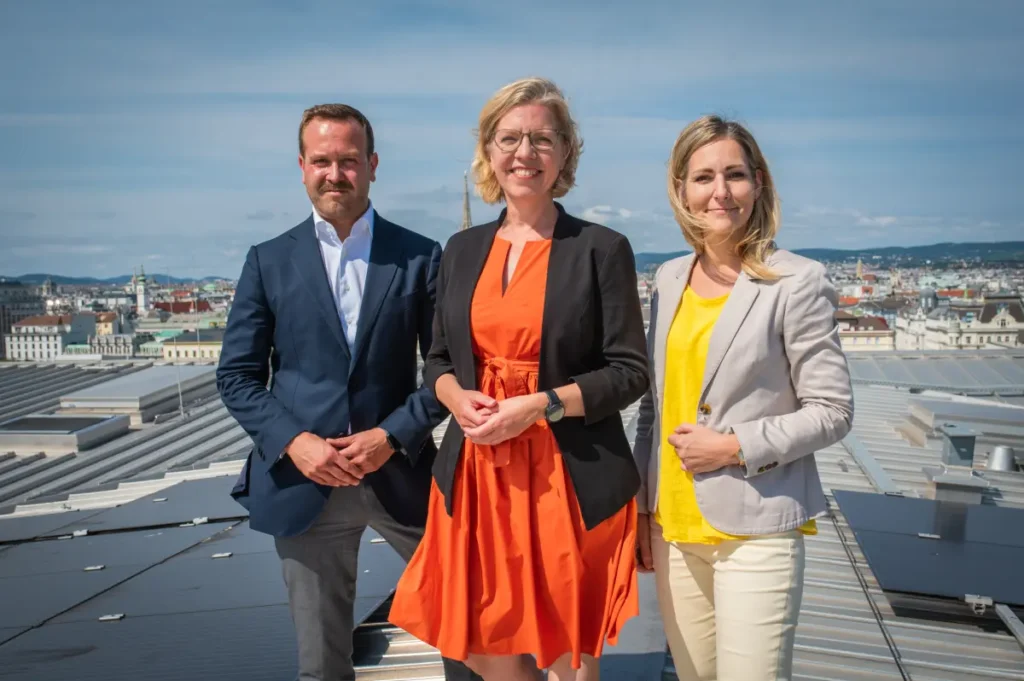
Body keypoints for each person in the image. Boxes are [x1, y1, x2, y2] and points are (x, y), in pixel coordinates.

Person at [388, 77, 649, 681]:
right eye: (509, 138)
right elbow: (440, 360)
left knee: (567, 655)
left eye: (541, 138)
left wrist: (539, 406)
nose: (523, 153)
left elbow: (629, 372)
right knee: (478, 642)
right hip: (478, 474)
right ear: (488, 150)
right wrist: (457, 399)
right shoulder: (460, 248)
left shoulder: (600, 248)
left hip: (565, 474)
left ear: (565, 153)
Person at [216, 104, 480, 681]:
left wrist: (392, 435)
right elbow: (236, 375)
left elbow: (448, 368)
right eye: (322, 161)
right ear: (302, 167)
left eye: (349, 161)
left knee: (470, 638)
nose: (335, 174)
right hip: (304, 482)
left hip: (402, 472)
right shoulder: (268, 261)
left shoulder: (419, 255)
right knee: (322, 664)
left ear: (373, 165)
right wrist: (295, 442)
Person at [632, 115, 854, 681]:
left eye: (734, 174)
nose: (720, 192)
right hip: (674, 527)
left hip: (756, 530)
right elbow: (655, 408)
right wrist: (641, 507)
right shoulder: (668, 277)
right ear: (681, 189)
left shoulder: (796, 280)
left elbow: (833, 411)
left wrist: (733, 446)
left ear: (759, 183)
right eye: (703, 177)